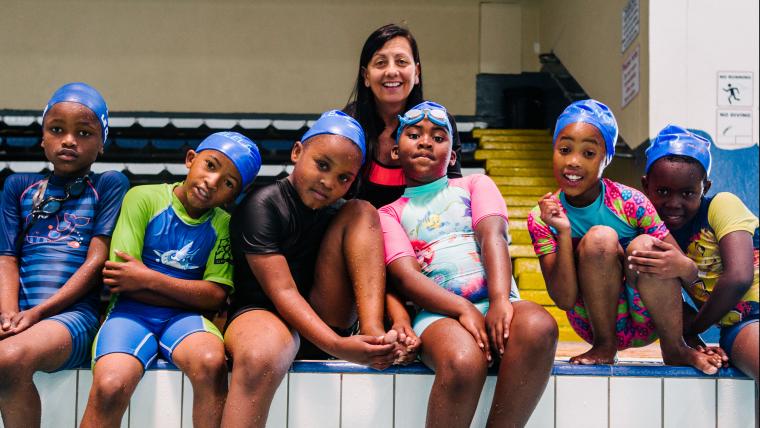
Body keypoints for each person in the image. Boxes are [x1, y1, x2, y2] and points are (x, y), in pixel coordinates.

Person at [380, 101, 558, 427]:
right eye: (415, 134)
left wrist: (502, 300)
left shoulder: (475, 185)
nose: (425, 141)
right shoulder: (389, 213)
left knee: (539, 326)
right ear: (395, 151)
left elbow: (493, 236)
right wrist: (463, 309)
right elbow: (406, 277)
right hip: (439, 313)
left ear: (452, 155)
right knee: (463, 361)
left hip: (497, 300)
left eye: (437, 137)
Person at [221, 111, 401, 428]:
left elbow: (376, 275)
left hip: (322, 316)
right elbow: (284, 293)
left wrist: (392, 328)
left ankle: (372, 334)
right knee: (261, 354)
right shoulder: (263, 205)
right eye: (322, 165)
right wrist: (340, 347)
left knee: (362, 211)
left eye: (344, 178)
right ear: (297, 152)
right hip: (262, 312)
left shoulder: (340, 212)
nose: (328, 182)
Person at [527, 99, 723, 374]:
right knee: (599, 239)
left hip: (648, 315)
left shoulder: (630, 202)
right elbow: (565, 299)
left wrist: (695, 333)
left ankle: (675, 346)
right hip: (591, 321)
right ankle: (605, 346)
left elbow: (684, 269)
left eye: (588, 153)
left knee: (645, 245)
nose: (573, 161)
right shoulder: (542, 217)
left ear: (606, 159)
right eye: (565, 149)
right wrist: (563, 231)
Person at [80, 132, 262, 428]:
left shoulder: (224, 225)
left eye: (228, 183)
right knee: (110, 385)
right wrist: (191, 292)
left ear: (234, 195)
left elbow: (216, 297)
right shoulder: (143, 199)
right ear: (191, 159)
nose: (212, 183)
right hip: (130, 315)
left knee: (211, 364)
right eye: (210, 166)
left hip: (186, 321)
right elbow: (120, 280)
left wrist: (147, 278)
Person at [0, 82, 129, 427]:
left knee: (9, 357)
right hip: (21, 313)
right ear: (43, 137)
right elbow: (7, 258)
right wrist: (10, 313)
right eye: (57, 130)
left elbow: (96, 260)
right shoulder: (18, 186)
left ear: (101, 143)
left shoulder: (108, 185)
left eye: (84, 133)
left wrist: (38, 313)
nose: (69, 140)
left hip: (72, 318)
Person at [637, 125, 757, 380]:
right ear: (646, 186)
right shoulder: (648, 232)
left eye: (688, 193)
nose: (674, 203)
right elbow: (662, 299)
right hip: (745, 325)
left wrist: (695, 326)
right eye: (663, 192)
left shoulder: (722, 205)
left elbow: (739, 276)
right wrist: (688, 339)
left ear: (706, 187)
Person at [344, 23, 462, 208]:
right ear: (366, 76)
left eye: (401, 62)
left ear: (417, 73)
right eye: (380, 63)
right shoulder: (349, 124)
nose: (391, 71)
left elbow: (452, 192)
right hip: (360, 230)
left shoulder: (439, 122)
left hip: (422, 229)